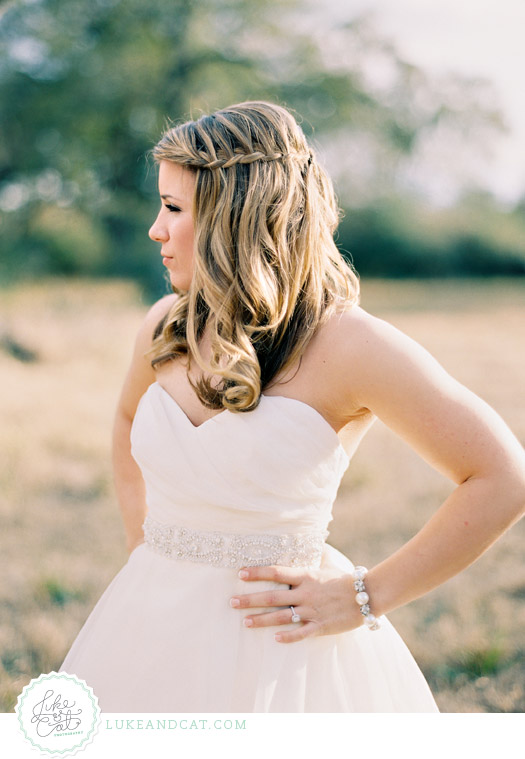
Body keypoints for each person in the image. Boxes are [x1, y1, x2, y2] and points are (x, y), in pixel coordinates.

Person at [58, 101, 525, 712]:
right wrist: (144, 551)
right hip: (145, 625)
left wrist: (365, 595)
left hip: (283, 654)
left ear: (237, 217)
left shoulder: (352, 345)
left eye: (174, 208)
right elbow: (126, 421)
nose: (156, 228)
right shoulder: (165, 326)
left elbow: (502, 476)